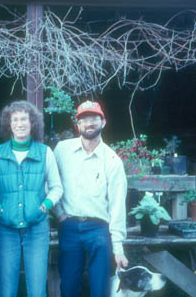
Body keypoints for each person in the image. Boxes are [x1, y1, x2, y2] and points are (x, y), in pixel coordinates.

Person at [0, 100, 63, 297]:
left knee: (37, 288)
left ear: (32, 123)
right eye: (15, 120)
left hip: (37, 228)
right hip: (6, 228)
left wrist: (45, 205)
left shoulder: (45, 153)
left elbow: (56, 187)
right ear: (9, 124)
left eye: (24, 119)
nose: (20, 124)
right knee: (7, 288)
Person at [54, 100, 129, 297]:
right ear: (77, 125)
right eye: (84, 119)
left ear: (103, 122)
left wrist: (118, 248)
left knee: (100, 289)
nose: (89, 123)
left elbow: (117, 206)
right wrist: (59, 213)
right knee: (68, 288)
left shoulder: (113, 161)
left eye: (94, 118)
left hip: (99, 229)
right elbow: (50, 183)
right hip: (69, 226)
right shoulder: (62, 150)